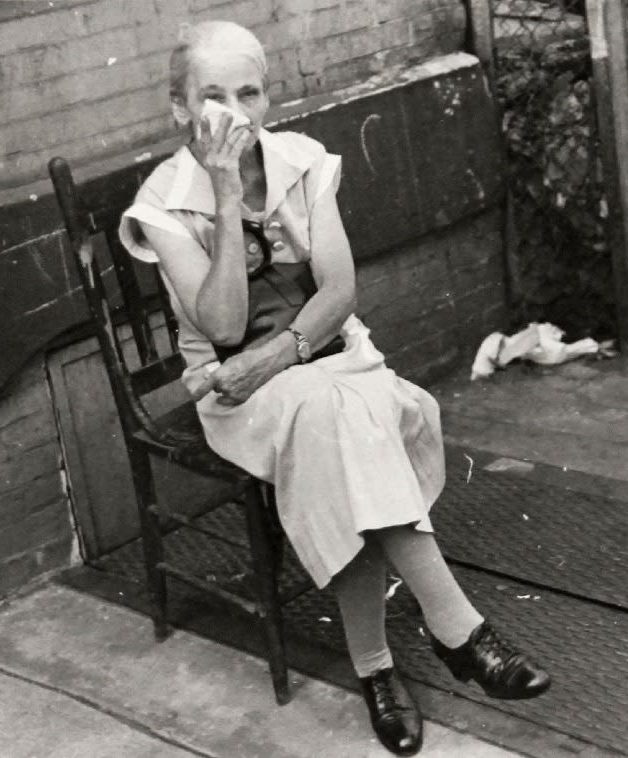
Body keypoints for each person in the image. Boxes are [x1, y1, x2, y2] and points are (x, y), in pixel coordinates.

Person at [118, 20, 550, 756]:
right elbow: (221, 323)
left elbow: (340, 291)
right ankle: (458, 632)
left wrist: (284, 351)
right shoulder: (163, 202)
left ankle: (377, 669)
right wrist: (224, 193)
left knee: (336, 424)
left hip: (327, 363)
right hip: (236, 392)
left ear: (267, 97)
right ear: (180, 110)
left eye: (247, 92)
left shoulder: (302, 162)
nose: (233, 110)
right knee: (340, 419)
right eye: (212, 95)